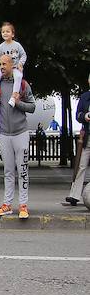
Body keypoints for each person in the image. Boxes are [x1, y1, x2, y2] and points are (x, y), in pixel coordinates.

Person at [0, 55, 36, 218]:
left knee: (22, 170)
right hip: (5, 133)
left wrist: (19, 102)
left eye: (4, 64)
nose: (1, 66)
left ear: (12, 65)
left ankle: (23, 205)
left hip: (21, 132)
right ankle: (7, 204)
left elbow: (33, 107)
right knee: (8, 171)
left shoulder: (22, 84)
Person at [0, 21, 27, 109]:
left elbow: (23, 55)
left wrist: (20, 64)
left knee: (18, 77)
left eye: (8, 31)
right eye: (3, 32)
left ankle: (14, 96)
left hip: (14, 67)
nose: (5, 33)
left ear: (12, 34)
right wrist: (2, 65)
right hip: (4, 69)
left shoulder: (17, 45)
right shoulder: (1, 46)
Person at [65, 74, 90, 206]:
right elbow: (78, 115)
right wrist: (85, 116)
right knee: (81, 165)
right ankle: (74, 195)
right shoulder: (85, 96)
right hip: (87, 136)